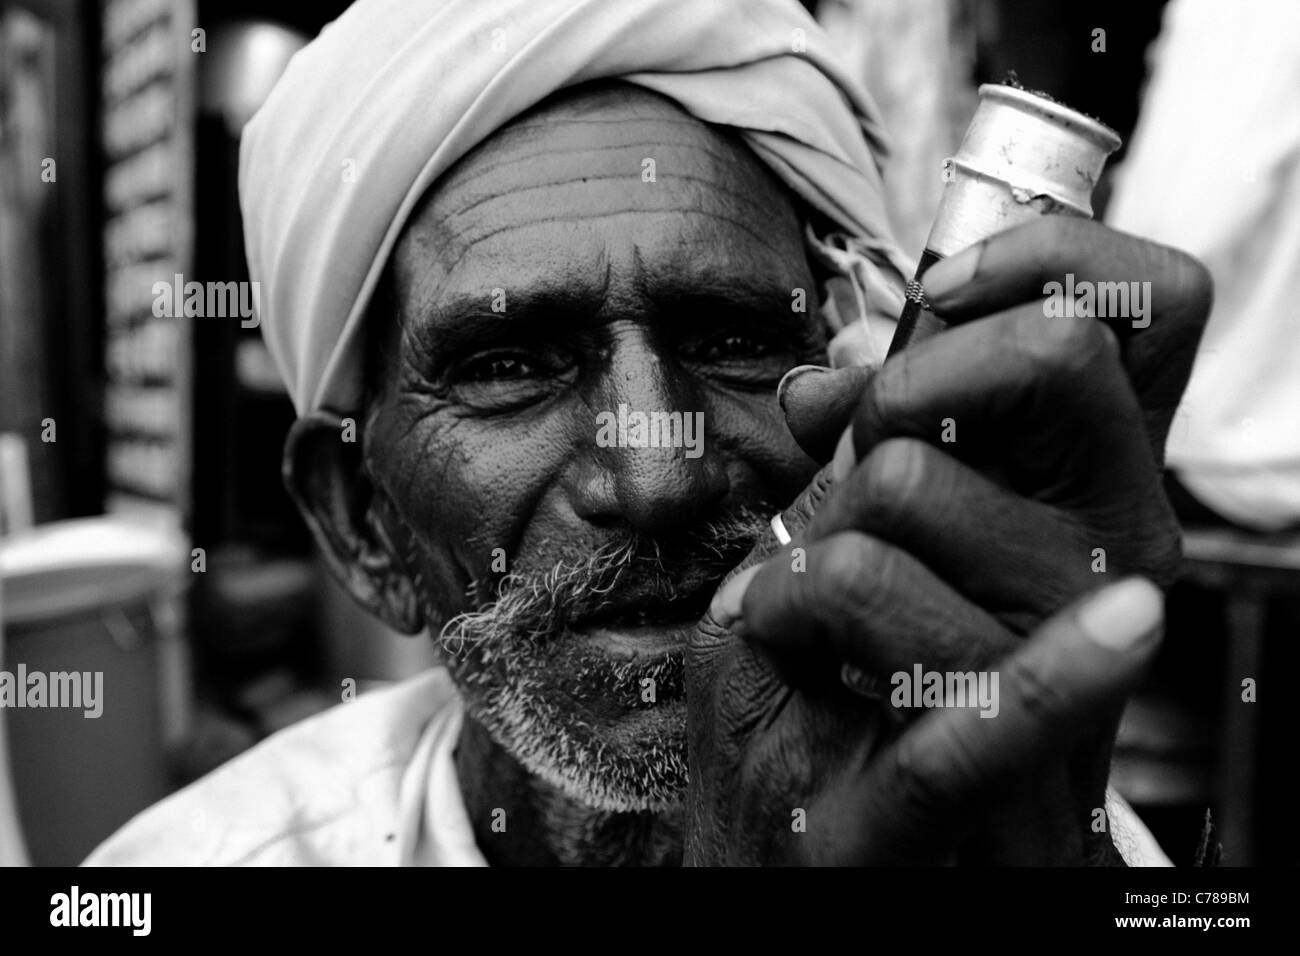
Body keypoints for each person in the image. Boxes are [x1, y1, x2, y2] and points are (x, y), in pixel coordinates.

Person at [85, 0, 1209, 866]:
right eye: (510, 366)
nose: (660, 471)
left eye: (727, 338)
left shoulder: (1029, 827)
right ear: (361, 523)